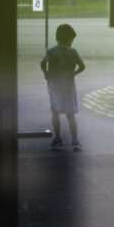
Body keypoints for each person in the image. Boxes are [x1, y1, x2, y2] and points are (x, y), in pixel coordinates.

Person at [40, 23, 85, 152]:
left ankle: (58, 139)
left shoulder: (50, 51)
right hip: (69, 87)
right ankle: (75, 141)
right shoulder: (73, 51)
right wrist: (73, 74)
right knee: (70, 115)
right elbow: (82, 66)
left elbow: (43, 62)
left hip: (54, 86)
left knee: (55, 112)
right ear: (70, 39)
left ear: (57, 38)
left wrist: (45, 73)